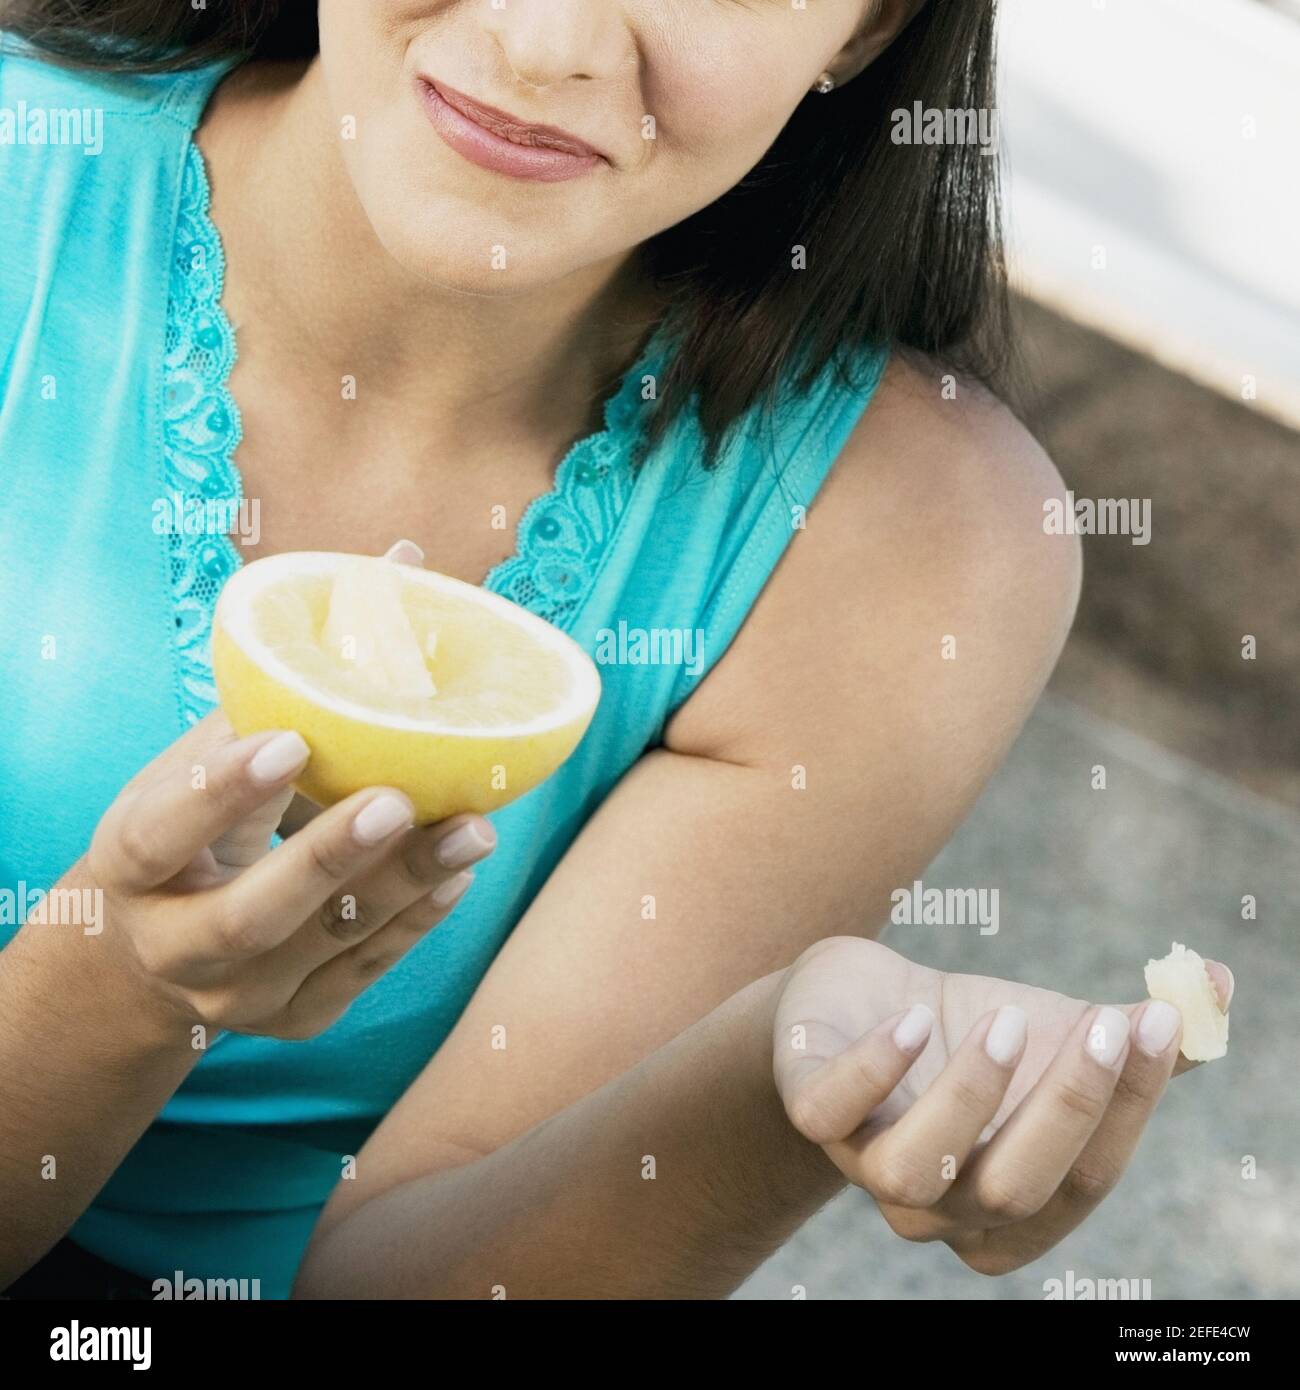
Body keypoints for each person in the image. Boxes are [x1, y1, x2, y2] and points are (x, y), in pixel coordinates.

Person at [0, 0, 1231, 1298]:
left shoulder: (912, 539)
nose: (544, 42)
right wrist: (120, 983)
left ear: (869, 33)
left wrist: (771, 1078)